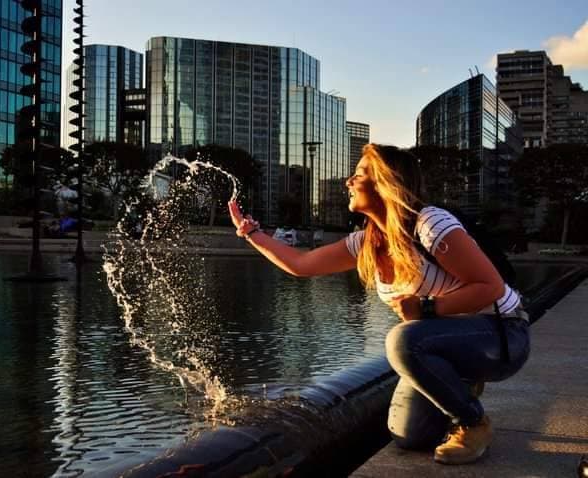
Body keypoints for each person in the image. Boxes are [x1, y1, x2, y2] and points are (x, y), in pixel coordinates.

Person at [227, 143, 529, 466]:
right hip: (446, 344)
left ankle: (473, 422)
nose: (348, 182)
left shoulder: (430, 224)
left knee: (401, 340)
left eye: (358, 175)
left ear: (385, 182)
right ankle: (460, 383)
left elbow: (491, 286)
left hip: (502, 334)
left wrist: (426, 309)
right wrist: (252, 234)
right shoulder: (367, 242)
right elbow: (303, 264)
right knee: (408, 435)